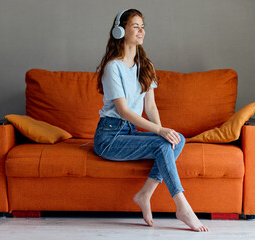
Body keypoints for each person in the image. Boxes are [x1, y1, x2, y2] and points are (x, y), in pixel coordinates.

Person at [93, 9, 209, 232]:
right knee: (161, 141)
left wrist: (163, 130)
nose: (141, 31)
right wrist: (158, 131)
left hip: (129, 133)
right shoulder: (112, 67)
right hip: (109, 137)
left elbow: (151, 107)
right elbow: (124, 111)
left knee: (177, 139)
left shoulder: (145, 66)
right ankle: (183, 207)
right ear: (120, 31)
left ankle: (145, 193)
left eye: (142, 26)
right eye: (135, 26)